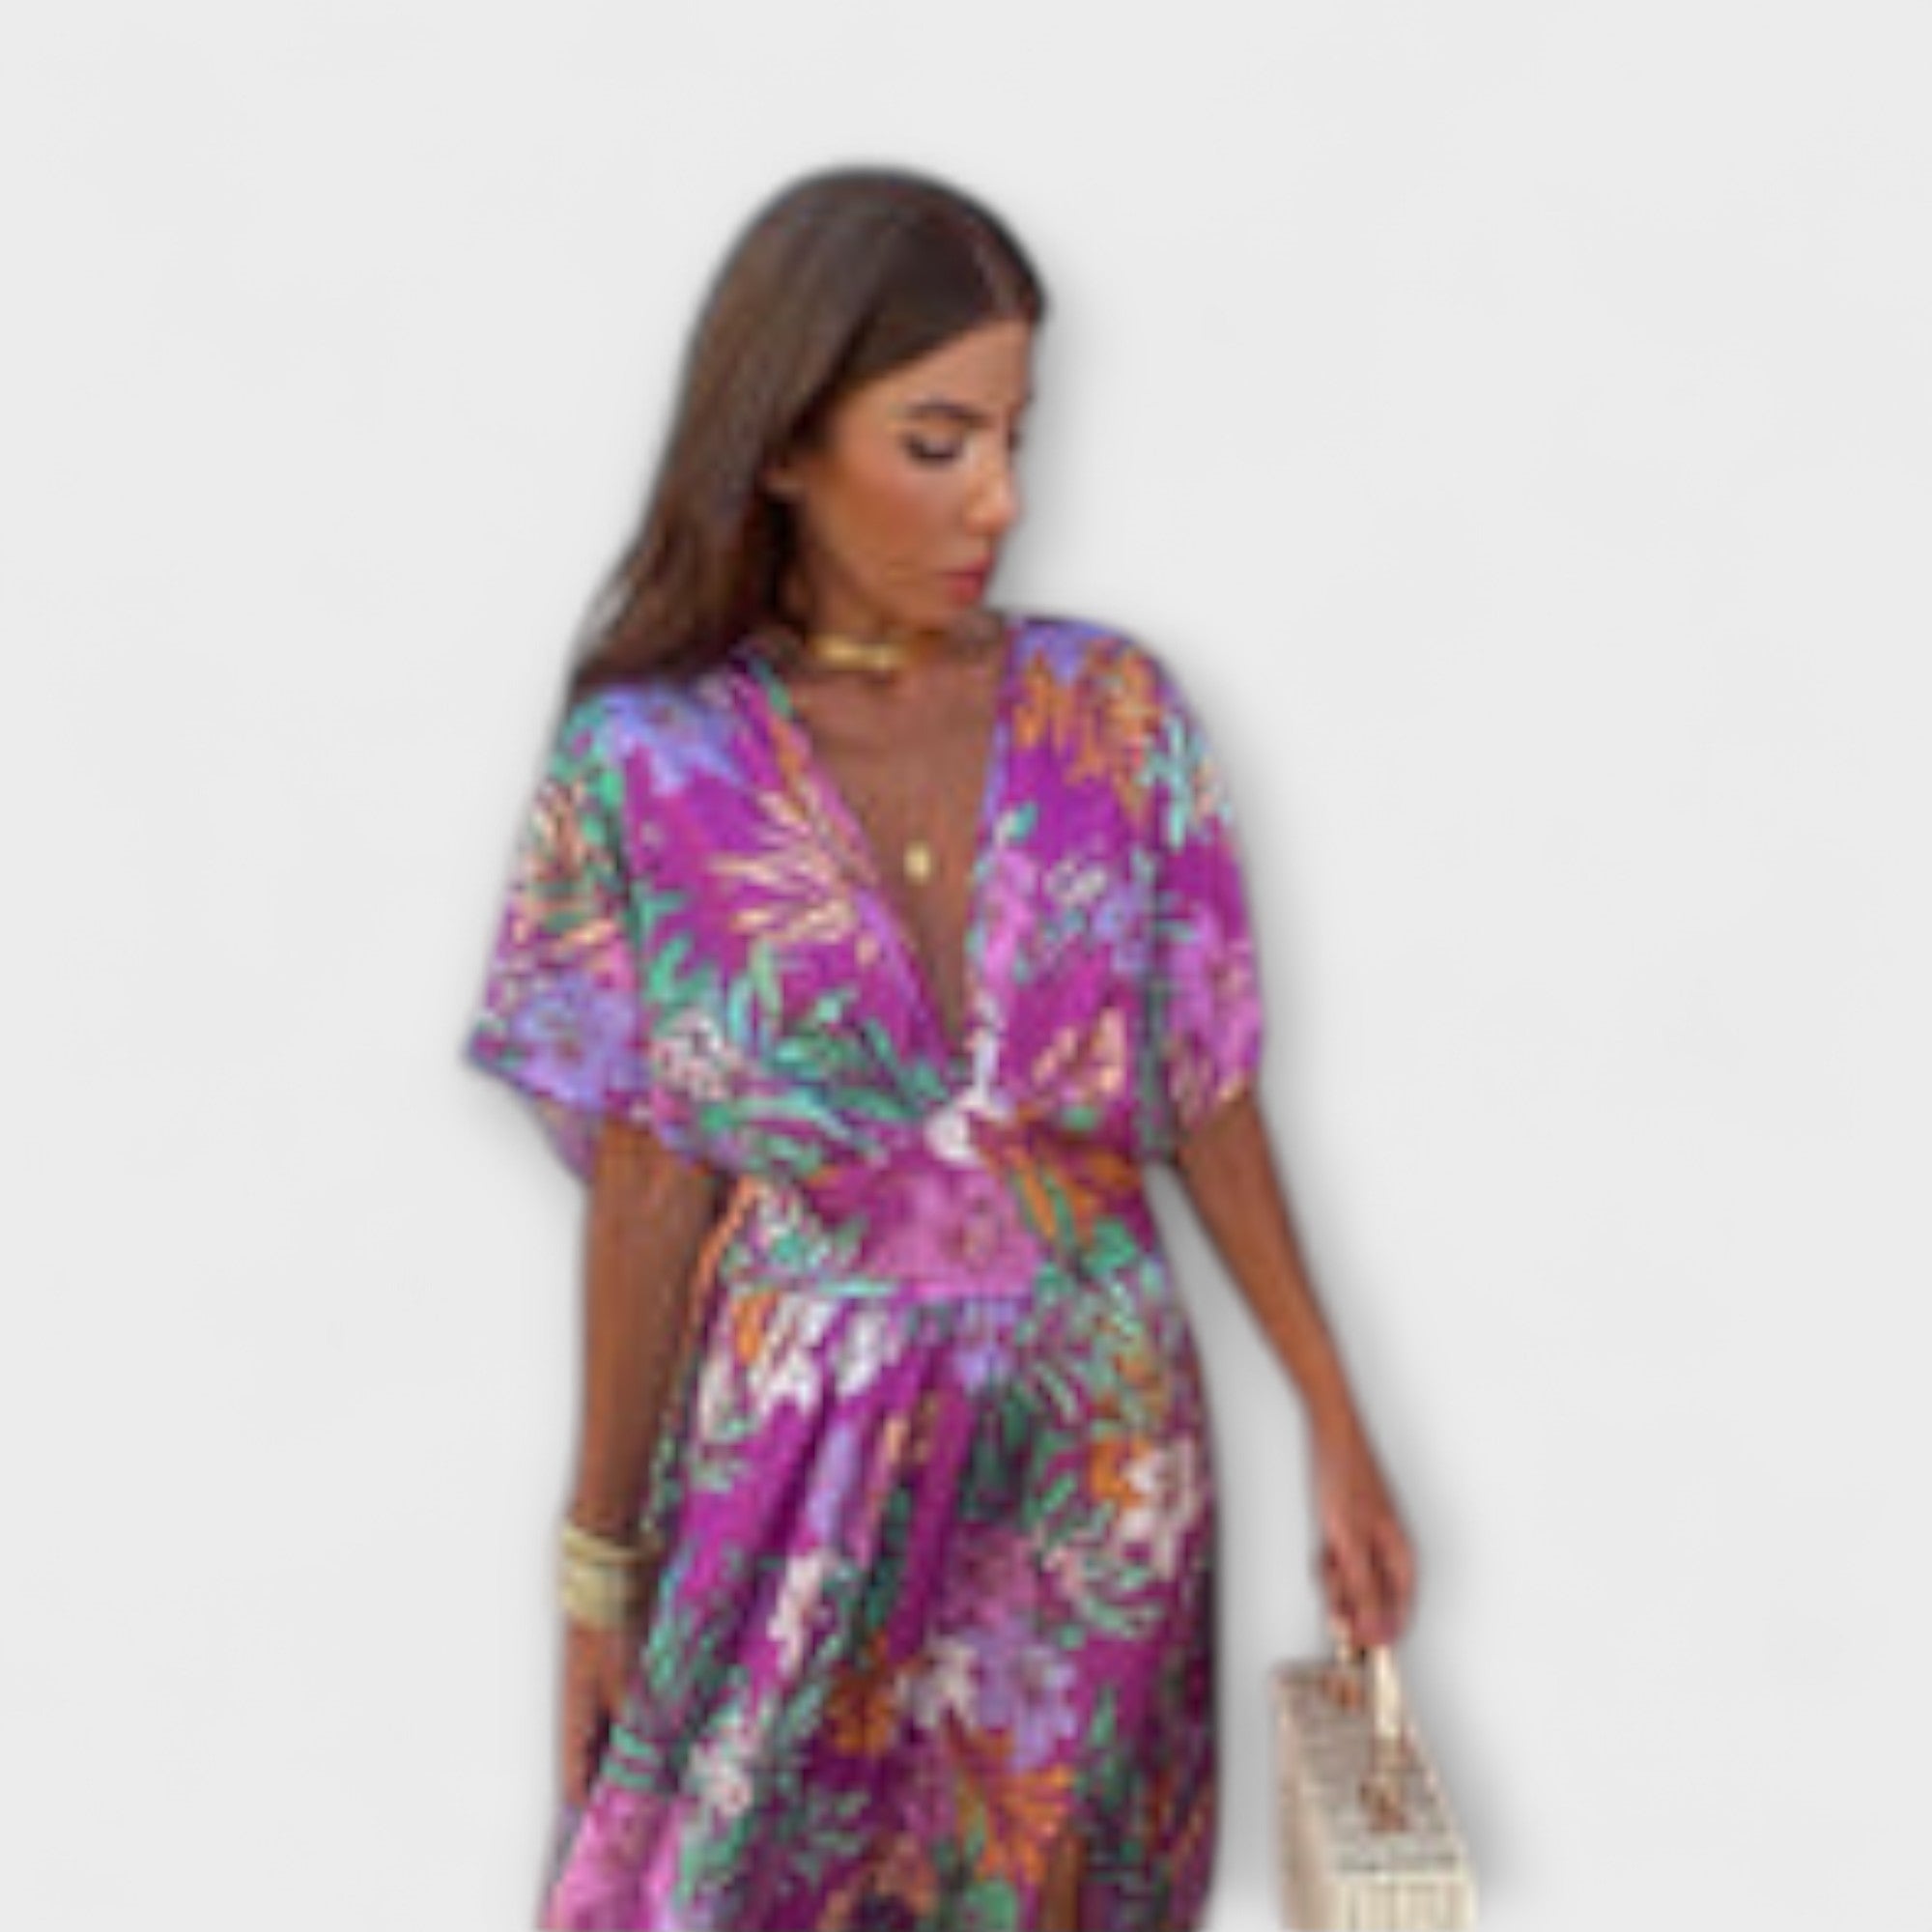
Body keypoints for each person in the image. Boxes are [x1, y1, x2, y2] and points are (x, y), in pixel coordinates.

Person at [466, 165, 1415, 1932]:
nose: (1002, 498)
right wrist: (597, 1567)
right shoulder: (647, 765)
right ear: (782, 444)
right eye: (938, 441)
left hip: (1097, 1473)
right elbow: (651, 1195)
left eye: (1012, 436)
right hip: (789, 1483)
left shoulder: (1114, 714)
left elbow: (1206, 1096)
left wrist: (1335, 1415)